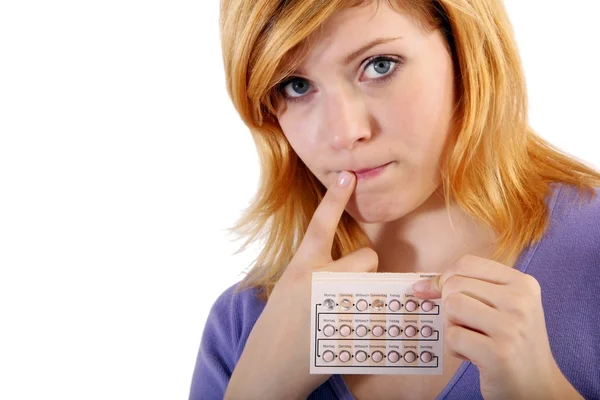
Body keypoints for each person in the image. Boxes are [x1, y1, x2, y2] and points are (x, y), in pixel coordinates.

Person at [190, 0, 600, 398]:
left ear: (465, 50)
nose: (344, 132)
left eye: (379, 65)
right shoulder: (243, 323)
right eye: (296, 86)